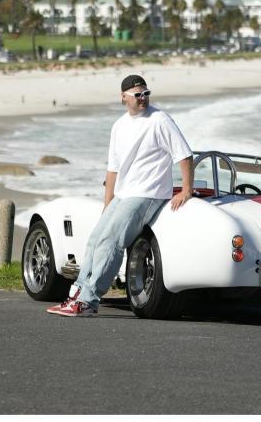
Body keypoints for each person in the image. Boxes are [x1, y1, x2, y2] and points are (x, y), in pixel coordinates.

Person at [47, 73, 194, 317]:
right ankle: (77, 293)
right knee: (95, 240)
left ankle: (88, 301)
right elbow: (113, 168)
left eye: (146, 93)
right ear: (124, 97)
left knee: (111, 242)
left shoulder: (160, 120)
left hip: (148, 194)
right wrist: (108, 203)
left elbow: (184, 154)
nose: (143, 98)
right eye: (138, 95)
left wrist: (186, 190)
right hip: (123, 194)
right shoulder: (119, 126)